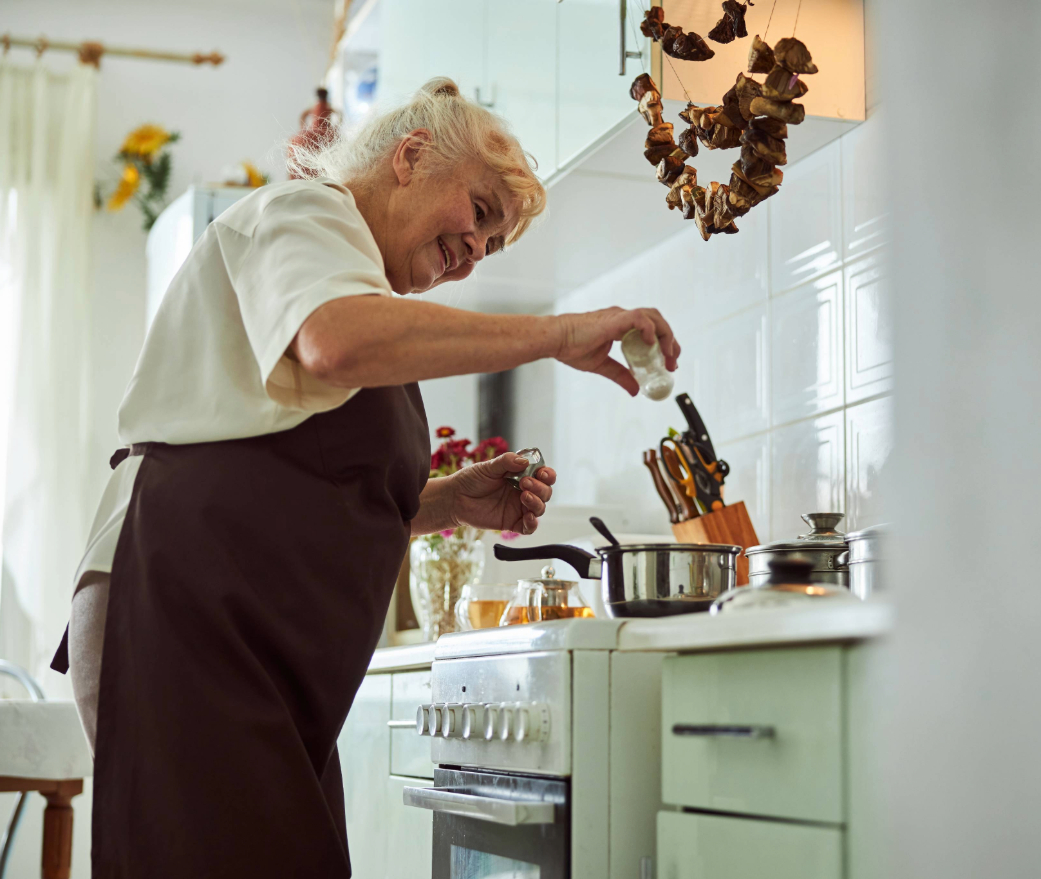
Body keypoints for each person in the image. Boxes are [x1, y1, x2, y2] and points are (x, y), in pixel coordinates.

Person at [51, 77, 679, 878]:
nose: (475, 252)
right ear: (411, 157)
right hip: (184, 600)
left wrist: (444, 501)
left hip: (243, 621)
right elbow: (334, 344)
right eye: (480, 213)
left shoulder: (356, 285)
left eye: (492, 246)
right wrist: (557, 334)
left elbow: (295, 479)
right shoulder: (307, 216)